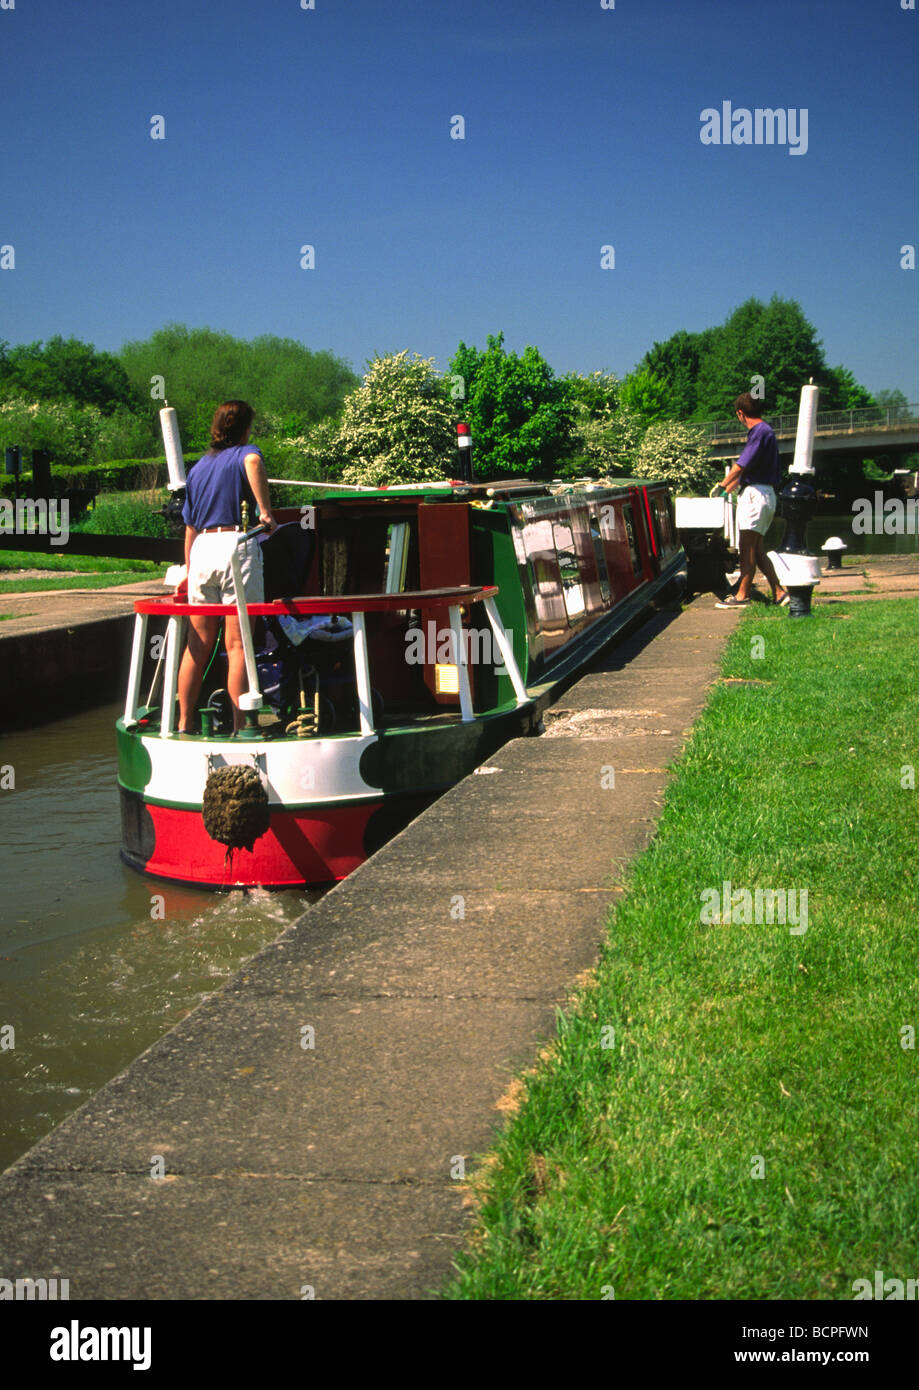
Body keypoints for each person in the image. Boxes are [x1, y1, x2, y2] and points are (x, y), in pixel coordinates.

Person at [176, 400, 277, 733]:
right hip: (234, 544)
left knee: (197, 643)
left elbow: (189, 528)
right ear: (245, 428)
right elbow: (252, 460)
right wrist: (265, 511)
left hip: (202, 549)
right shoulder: (246, 452)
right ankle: (240, 727)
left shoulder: (198, 468)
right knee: (237, 646)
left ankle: (184, 721)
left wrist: (189, 570)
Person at [715, 392, 789, 608]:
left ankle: (742, 596)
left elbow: (740, 466)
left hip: (756, 497)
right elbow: (748, 472)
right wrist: (727, 489)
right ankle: (779, 592)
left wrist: (721, 485)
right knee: (756, 549)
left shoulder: (758, 432)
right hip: (764, 494)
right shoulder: (766, 432)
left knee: (746, 548)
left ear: (740, 413)